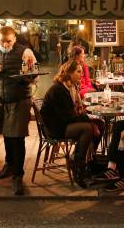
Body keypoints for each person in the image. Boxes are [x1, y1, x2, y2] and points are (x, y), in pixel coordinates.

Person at [0, 26, 36, 195]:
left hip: (20, 99)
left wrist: (28, 70)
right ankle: (9, 164)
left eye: (8, 41)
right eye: (2, 41)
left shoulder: (25, 51)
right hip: (1, 99)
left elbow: (35, 74)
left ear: (15, 39)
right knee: (6, 134)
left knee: (17, 137)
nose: (5, 44)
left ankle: (18, 176)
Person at [40, 60, 94, 188]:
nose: (81, 75)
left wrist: (87, 117)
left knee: (96, 125)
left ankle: (85, 161)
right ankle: (78, 164)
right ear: (69, 73)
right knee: (87, 128)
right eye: (78, 72)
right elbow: (67, 117)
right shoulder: (58, 90)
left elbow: (70, 115)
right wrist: (86, 118)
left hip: (60, 123)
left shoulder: (68, 87)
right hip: (54, 128)